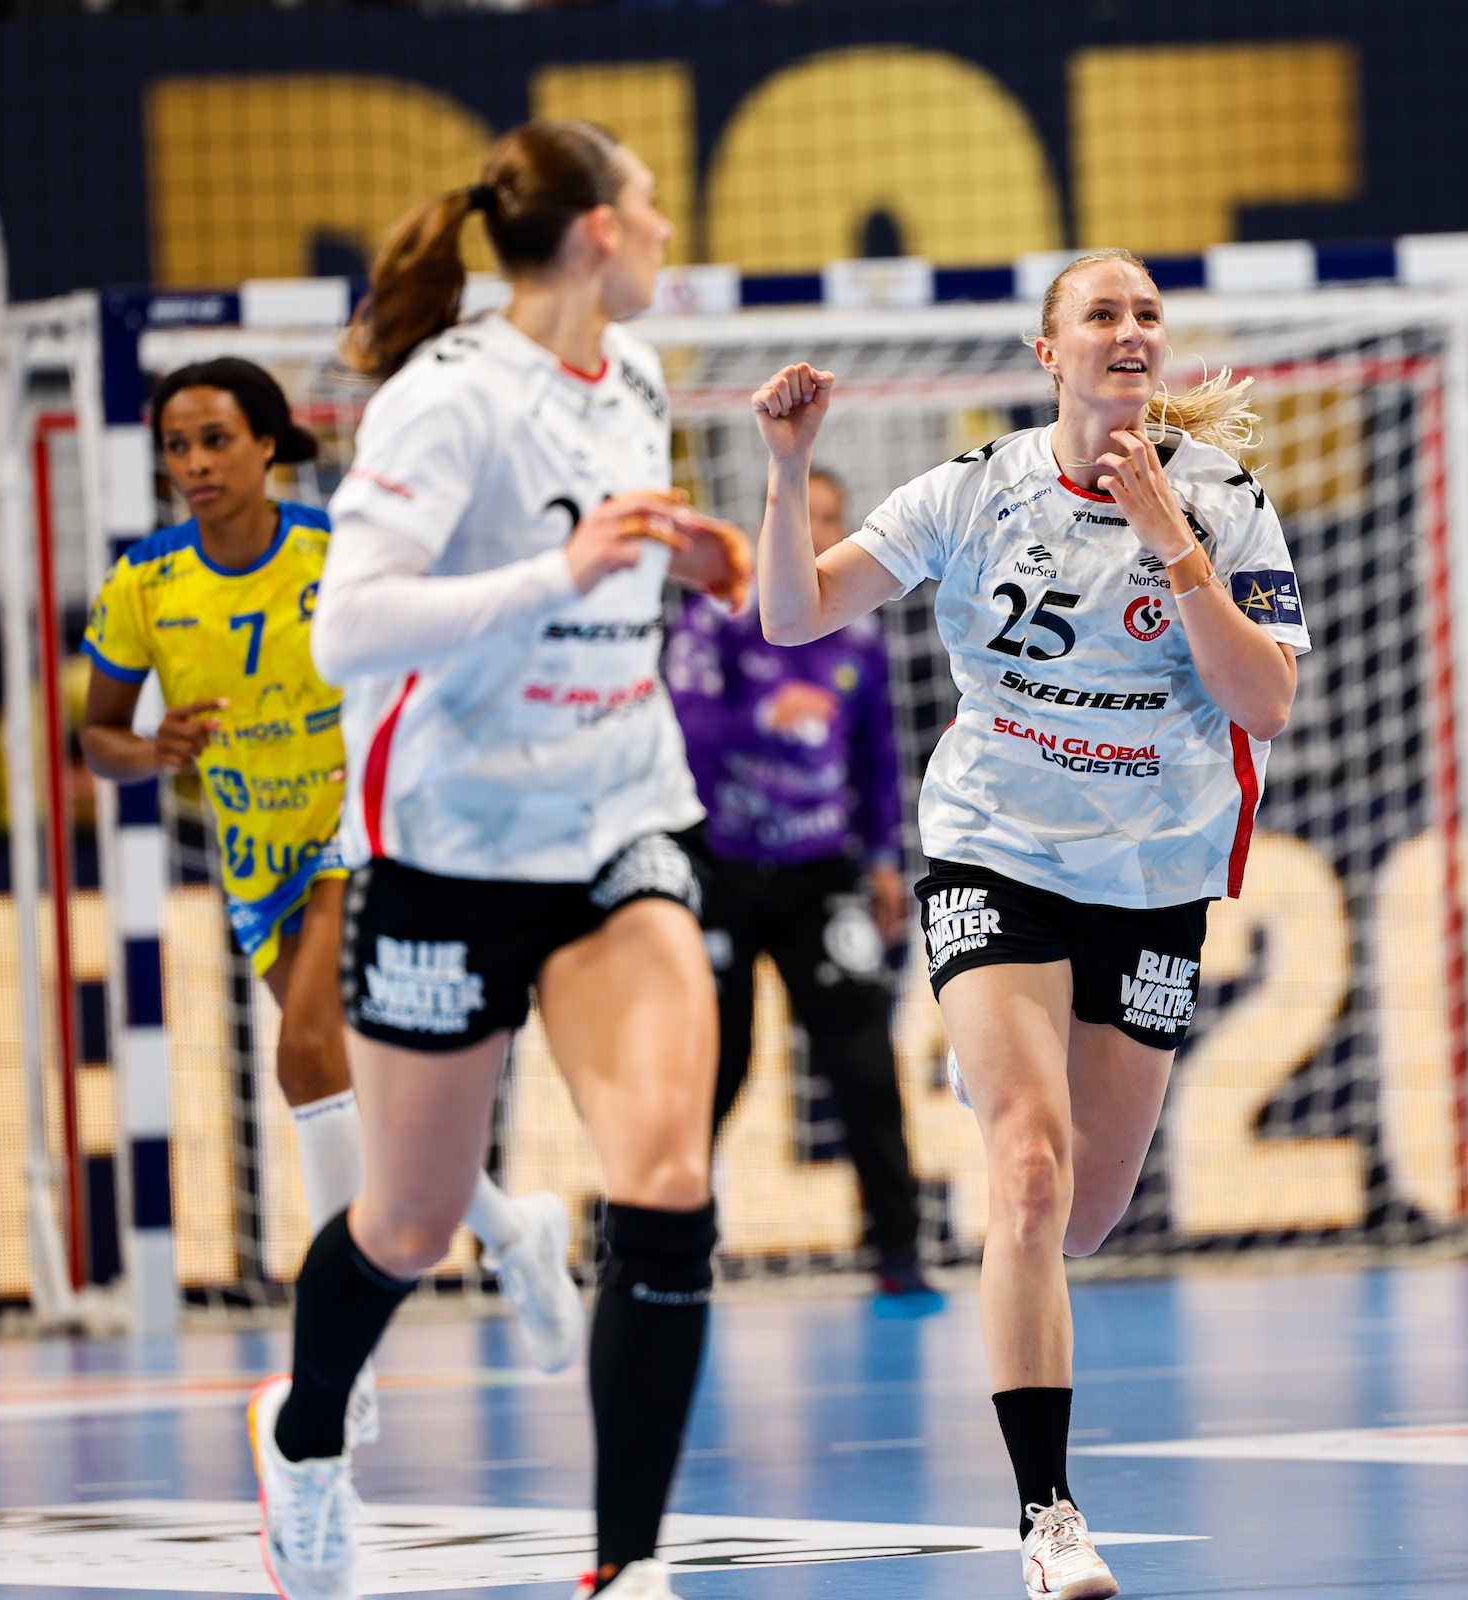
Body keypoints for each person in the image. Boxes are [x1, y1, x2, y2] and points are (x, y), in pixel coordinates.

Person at [747, 247, 1306, 1600]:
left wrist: (1172, 543)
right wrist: (786, 465)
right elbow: (792, 614)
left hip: (1154, 875)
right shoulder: (976, 490)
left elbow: (1266, 702)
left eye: (1147, 313)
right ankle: (1049, 1517)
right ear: (1050, 351)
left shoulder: (1224, 498)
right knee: (1030, 1174)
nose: (1131, 330)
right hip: (995, 846)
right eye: (1101, 313)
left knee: (1088, 1215)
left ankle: (1012, 1100)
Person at [243, 120, 752, 1600]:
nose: (665, 231)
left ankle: (625, 1568)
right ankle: (304, 1437)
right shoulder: (447, 400)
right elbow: (349, 628)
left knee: (667, 1185)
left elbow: (601, 547)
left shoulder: (635, 374)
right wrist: (563, 571)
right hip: (450, 846)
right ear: (596, 231)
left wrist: (679, 551)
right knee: (406, 1222)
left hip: (616, 818)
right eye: (650, 206)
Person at [81, 361, 582, 1439]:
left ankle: (337, 1360)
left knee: (307, 1058)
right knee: (376, 1103)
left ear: (268, 444)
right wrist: (150, 746)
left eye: (216, 439)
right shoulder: (143, 583)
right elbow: (98, 737)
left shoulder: (337, 550)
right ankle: (513, 1233)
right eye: (177, 446)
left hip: (364, 829)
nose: (195, 462)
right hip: (256, 859)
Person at [662, 464, 943, 1316]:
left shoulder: (859, 631)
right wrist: (769, 714)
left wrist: (884, 858)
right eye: (804, 516)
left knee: (862, 1059)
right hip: (721, 866)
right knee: (717, 1065)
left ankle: (898, 1251)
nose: (819, 533)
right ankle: (661, 1247)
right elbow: (685, 730)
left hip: (820, 870)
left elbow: (875, 755)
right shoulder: (718, 614)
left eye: (832, 519)